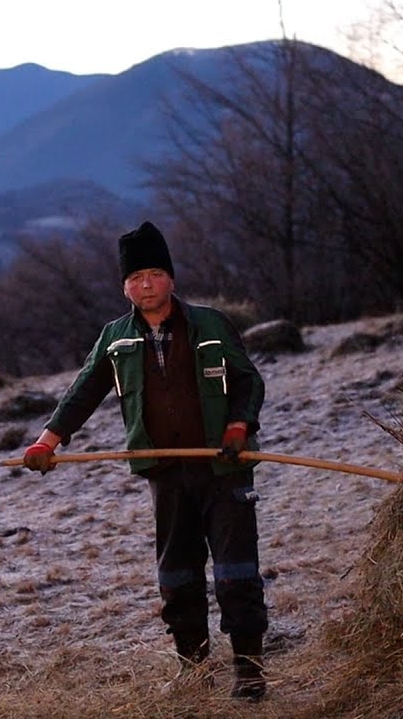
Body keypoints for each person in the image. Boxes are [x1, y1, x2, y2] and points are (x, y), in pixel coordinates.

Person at [21, 221, 269, 701]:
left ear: (171, 278)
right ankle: (194, 670)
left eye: (155, 274)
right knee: (177, 577)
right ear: (125, 287)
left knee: (236, 573)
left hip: (224, 468)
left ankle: (250, 672)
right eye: (136, 278)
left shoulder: (211, 324)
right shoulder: (115, 339)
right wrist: (47, 443)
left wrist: (239, 425)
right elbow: (82, 393)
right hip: (165, 473)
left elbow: (248, 381)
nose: (147, 285)